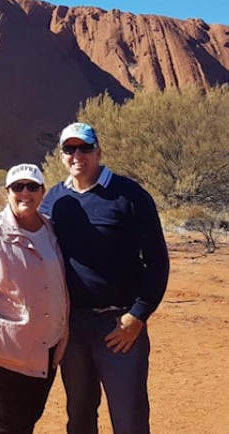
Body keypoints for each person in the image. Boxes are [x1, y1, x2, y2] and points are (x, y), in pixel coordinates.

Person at [39, 122, 170, 434]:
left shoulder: (130, 195)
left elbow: (157, 262)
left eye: (84, 147)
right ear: (61, 156)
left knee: (130, 417)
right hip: (72, 327)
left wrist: (137, 316)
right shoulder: (54, 199)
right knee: (80, 416)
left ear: (98, 150)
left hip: (119, 326)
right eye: (69, 149)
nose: (77, 155)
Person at [0, 163, 69, 434]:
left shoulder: (51, 230)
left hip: (46, 346)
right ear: (7, 192)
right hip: (3, 352)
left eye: (32, 187)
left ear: (42, 192)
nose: (25, 193)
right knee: (9, 423)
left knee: (29, 417)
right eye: (18, 187)